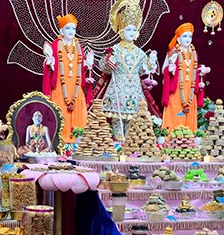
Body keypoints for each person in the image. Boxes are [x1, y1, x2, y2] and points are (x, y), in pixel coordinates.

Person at [101, 0, 158, 138]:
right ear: (121, 31)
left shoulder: (140, 53)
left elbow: (144, 70)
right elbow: (104, 67)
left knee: (133, 121)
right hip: (118, 87)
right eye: (128, 29)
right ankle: (118, 141)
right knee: (117, 120)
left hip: (134, 89)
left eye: (134, 29)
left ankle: (129, 142)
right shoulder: (114, 50)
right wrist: (108, 61)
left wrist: (151, 63)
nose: (131, 32)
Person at [43, 14, 93, 143]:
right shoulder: (55, 45)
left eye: (73, 28)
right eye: (68, 28)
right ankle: (59, 138)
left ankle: (77, 138)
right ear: (61, 31)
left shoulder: (78, 46)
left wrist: (87, 64)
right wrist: (50, 63)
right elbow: (49, 64)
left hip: (75, 86)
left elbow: (80, 67)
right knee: (60, 108)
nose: (71, 31)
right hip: (60, 85)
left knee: (77, 109)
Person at [161, 23, 208, 132]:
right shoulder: (173, 52)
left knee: (188, 110)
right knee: (176, 110)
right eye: (185, 36)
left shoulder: (194, 53)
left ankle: (188, 134)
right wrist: (170, 69)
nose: (188, 39)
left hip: (190, 89)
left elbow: (194, 69)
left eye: (190, 36)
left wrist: (201, 71)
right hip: (177, 88)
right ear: (178, 39)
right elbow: (164, 69)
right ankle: (172, 133)